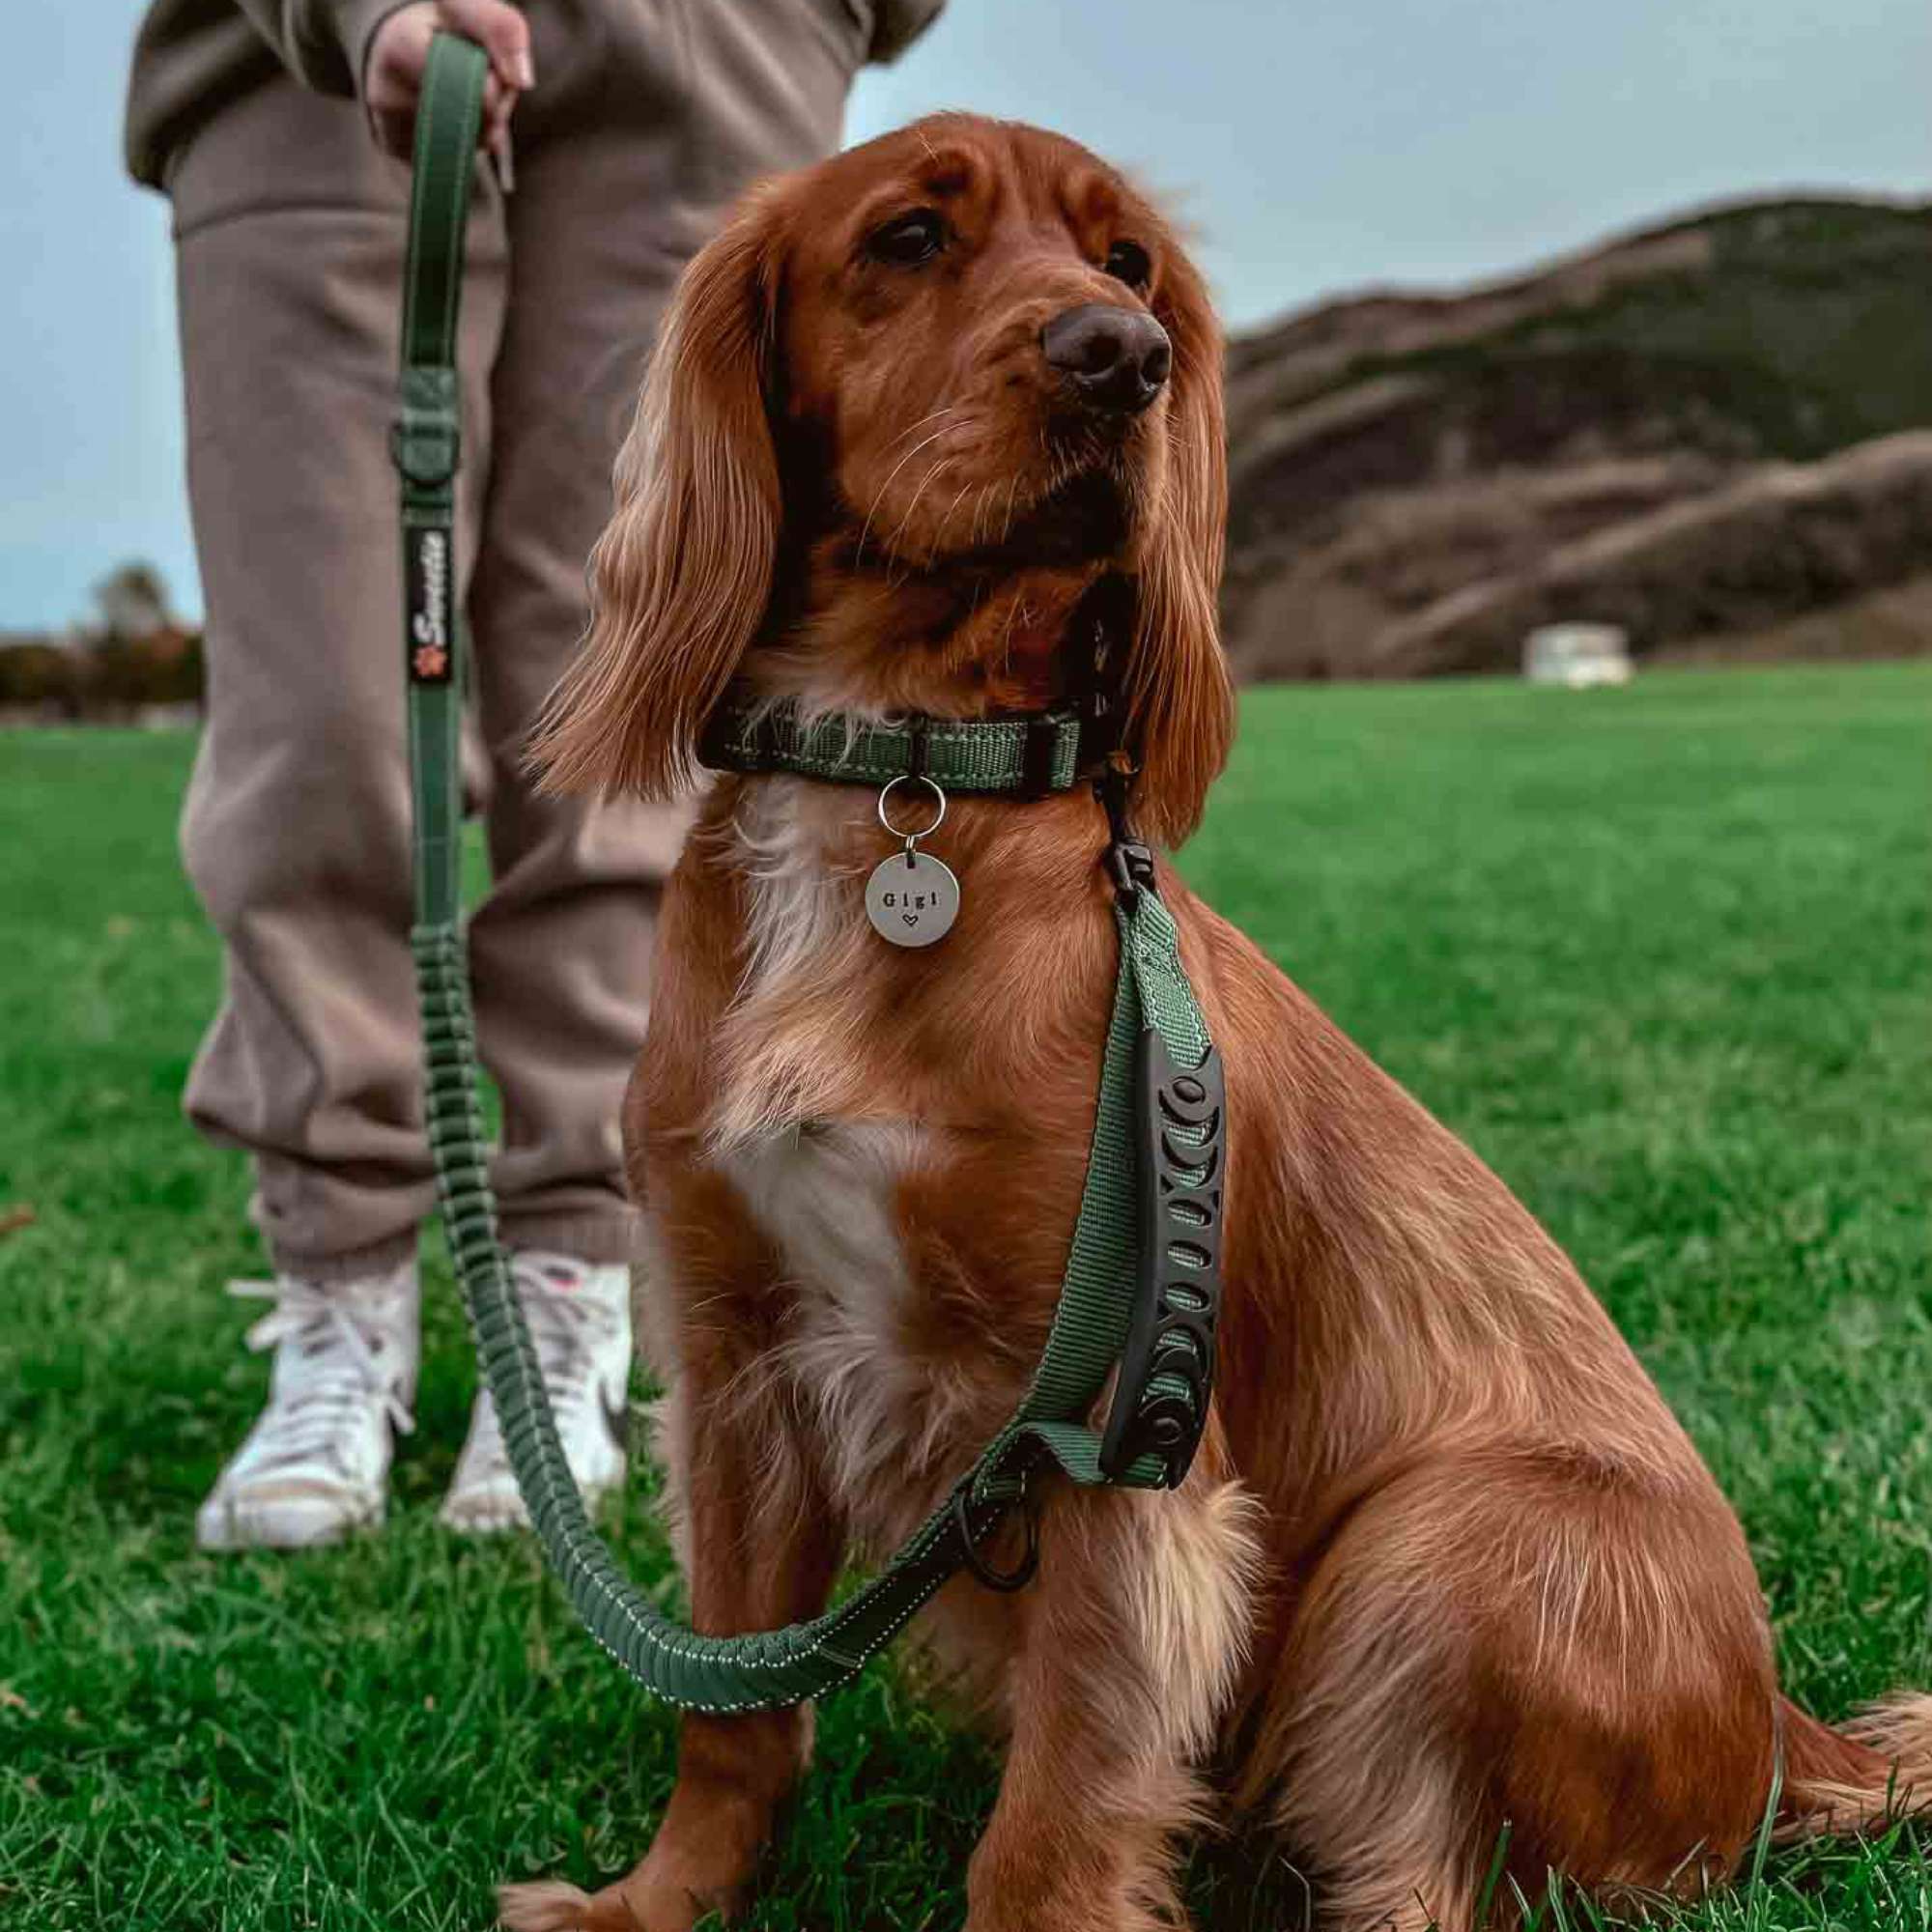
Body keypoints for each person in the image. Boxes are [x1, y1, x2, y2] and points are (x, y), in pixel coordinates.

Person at [124, 0, 942, 1549]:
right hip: (286, 83)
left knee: (627, 720)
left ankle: (573, 1276)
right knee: (322, 723)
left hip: (706, 55)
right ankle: (338, 1289)